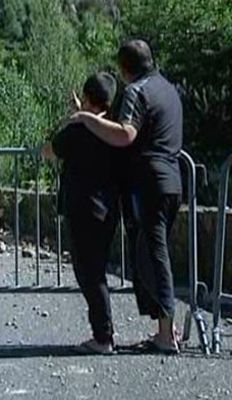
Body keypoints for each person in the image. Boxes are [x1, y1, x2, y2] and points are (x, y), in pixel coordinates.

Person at [69, 39, 183, 354]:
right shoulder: (168, 89)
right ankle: (167, 327)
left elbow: (126, 134)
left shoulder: (137, 91)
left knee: (154, 255)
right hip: (173, 180)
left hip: (148, 183)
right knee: (151, 253)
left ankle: (166, 334)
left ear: (124, 69)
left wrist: (86, 119)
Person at [42, 72, 119, 354]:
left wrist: (73, 118)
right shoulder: (115, 129)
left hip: (82, 209)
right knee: (96, 270)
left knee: (90, 274)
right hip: (107, 209)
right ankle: (104, 333)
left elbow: (50, 150)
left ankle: (103, 337)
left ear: (87, 98)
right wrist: (81, 113)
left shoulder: (78, 130)